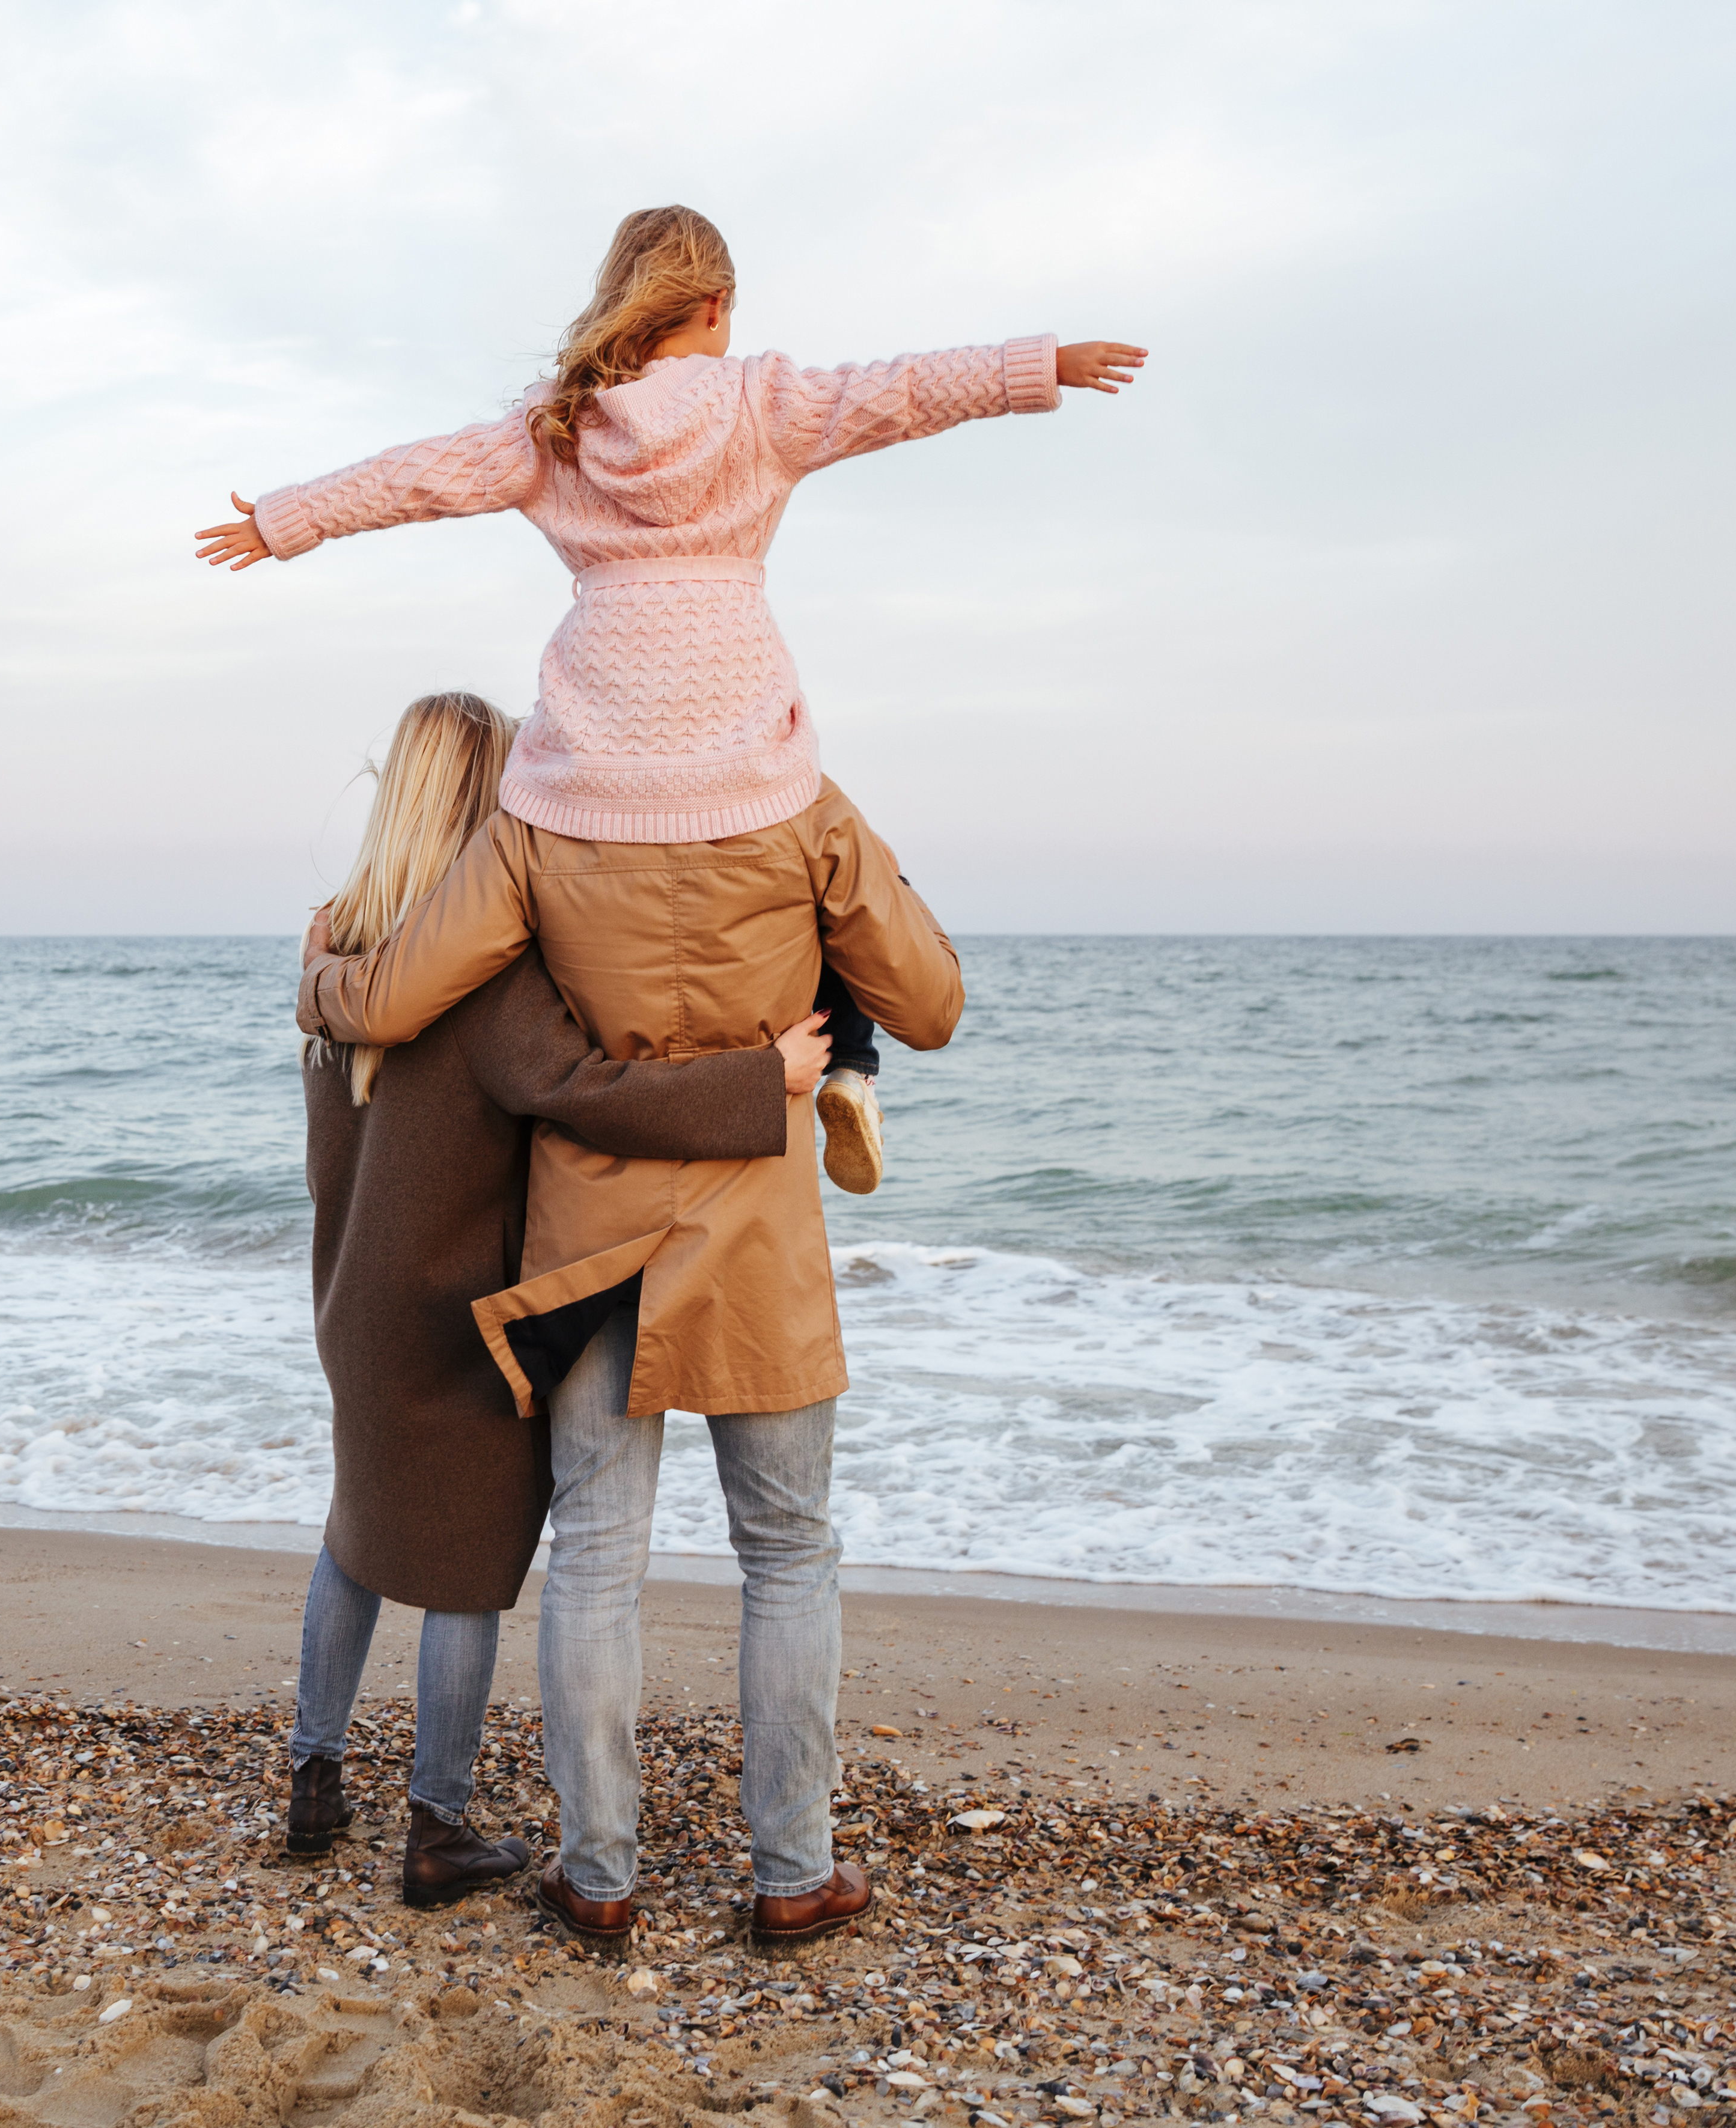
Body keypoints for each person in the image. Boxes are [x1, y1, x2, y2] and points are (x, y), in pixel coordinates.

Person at [200, 204, 1141, 1198]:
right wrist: (1041, 367)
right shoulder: (759, 403)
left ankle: (335, 996)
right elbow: (903, 393)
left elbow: (417, 479)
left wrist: (284, 519)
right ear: (714, 304)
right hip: (749, 775)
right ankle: (853, 1062)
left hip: (579, 785)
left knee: (402, 991)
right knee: (834, 863)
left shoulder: (558, 424)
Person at [287, 689, 830, 1912]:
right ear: (492, 805)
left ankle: (312, 1780)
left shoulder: (331, 939)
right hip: (464, 1312)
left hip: (352, 1303)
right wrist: (766, 1081)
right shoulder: (486, 978)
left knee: (356, 1532)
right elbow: (593, 1092)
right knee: (469, 1566)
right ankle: (437, 1824)